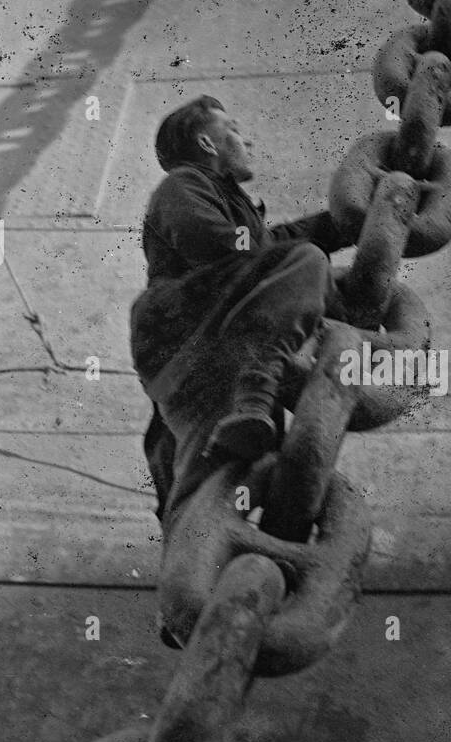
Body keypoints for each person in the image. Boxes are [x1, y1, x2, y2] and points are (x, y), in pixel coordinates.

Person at [130, 94, 353, 527]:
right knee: (307, 262)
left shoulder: (227, 203)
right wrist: (296, 252)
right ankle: (256, 385)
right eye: (232, 127)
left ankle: (193, 561)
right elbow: (212, 242)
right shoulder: (182, 185)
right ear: (207, 144)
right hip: (192, 336)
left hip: (210, 347)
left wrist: (339, 225)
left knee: (214, 474)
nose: (245, 137)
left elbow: (262, 243)